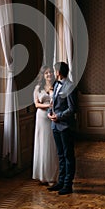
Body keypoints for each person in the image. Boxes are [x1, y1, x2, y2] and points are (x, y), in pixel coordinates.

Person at [47, 61, 78, 195]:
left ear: (58, 72)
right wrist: (50, 112)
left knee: (68, 156)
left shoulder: (70, 86)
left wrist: (58, 116)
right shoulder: (56, 84)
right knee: (60, 155)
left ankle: (67, 184)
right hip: (55, 125)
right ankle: (60, 182)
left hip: (65, 126)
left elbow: (72, 109)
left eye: (55, 71)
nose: (54, 73)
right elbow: (54, 102)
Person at [32, 65, 58, 185]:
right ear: (43, 75)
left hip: (53, 117)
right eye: (46, 73)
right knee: (42, 144)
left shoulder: (56, 86)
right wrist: (48, 106)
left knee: (52, 145)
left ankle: (53, 175)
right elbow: (36, 104)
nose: (49, 75)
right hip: (42, 118)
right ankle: (42, 175)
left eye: (51, 72)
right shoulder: (38, 88)